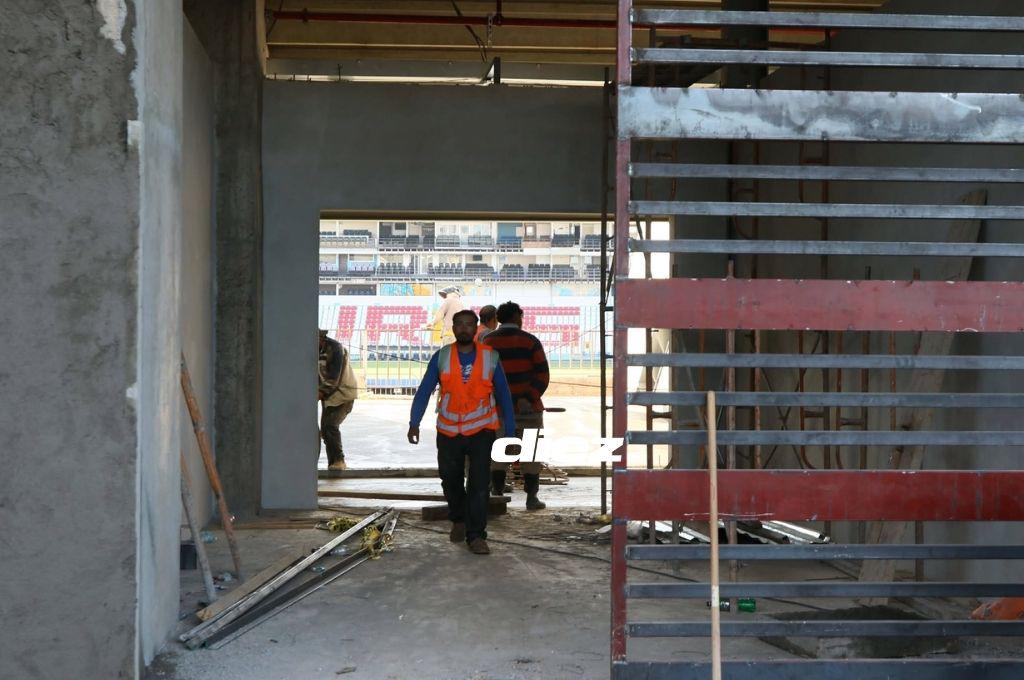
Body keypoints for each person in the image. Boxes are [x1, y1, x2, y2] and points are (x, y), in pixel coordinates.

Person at [408, 309, 516, 555]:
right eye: (460, 325)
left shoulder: (491, 357)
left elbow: (504, 397)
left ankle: (476, 535)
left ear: (475, 328)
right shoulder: (441, 356)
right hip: (448, 430)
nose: (465, 329)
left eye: (469, 324)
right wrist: (414, 422)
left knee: (479, 484)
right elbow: (424, 390)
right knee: (450, 479)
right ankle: (458, 519)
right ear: (453, 328)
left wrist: (510, 433)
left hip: (481, 430)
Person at [483, 301, 550, 510]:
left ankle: (497, 494)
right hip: (528, 410)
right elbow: (543, 374)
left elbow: (482, 375)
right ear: (516, 317)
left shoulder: (487, 341)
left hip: (499, 409)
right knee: (531, 453)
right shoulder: (530, 341)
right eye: (521, 316)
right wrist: (528, 397)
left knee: (499, 452)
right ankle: (531, 498)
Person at [319, 329, 359, 471]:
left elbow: (333, 378)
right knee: (325, 429)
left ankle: (339, 460)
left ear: (321, 338)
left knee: (330, 425)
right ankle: (333, 464)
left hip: (343, 394)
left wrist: (319, 393)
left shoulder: (335, 348)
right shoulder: (316, 349)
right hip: (328, 396)